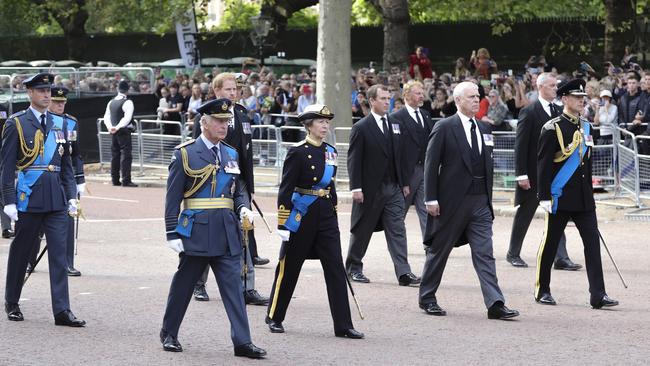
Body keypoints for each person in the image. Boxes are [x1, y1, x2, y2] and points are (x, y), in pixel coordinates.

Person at [160, 98, 266, 358]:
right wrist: (171, 231)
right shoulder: (185, 153)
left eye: (226, 121)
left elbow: (236, 189)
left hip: (227, 230)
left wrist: (242, 206)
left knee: (234, 290)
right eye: (219, 121)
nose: (224, 126)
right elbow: (173, 198)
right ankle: (169, 332)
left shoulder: (231, 153)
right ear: (204, 123)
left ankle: (242, 341)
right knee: (184, 285)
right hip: (197, 230)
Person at [419, 81, 519, 320]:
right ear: (458, 101)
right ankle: (427, 297)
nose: (477, 100)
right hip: (452, 202)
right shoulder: (444, 127)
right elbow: (431, 165)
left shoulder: (484, 129)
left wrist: (488, 199)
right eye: (471, 96)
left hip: (480, 201)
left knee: (485, 252)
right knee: (439, 250)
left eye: (478, 96)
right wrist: (430, 198)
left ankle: (495, 302)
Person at [266, 104, 364, 339]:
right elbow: (286, 189)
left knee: (336, 270)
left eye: (327, 122)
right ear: (308, 125)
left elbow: (331, 187)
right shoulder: (297, 151)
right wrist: (283, 224)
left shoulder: (330, 151)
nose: (325, 126)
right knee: (289, 267)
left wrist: (334, 213)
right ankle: (275, 316)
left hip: (325, 215)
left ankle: (343, 325)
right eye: (320, 122)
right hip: (302, 215)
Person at [1, 73, 85, 326]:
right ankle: (12, 300)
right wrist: (8, 201)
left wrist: (72, 196)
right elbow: (6, 167)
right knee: (21, 252)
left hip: (57, 200)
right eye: (41, 91)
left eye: (48, 90)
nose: (47, 95)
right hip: (29, 198)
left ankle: (62, 311)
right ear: (29, 93)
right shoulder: (16, 123)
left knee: (59, 256)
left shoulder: (60, 124)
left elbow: (66, 164)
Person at [535, 79, 619, 310]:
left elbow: (586, 165)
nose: (582, 100)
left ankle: (598, 295)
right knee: (550, 244)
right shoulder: (552, 128)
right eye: (576, 97)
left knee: (592, 245)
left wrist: (590, 194)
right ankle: (542, 289)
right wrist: (543, 196)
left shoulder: (587, 127)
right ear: (564, 99)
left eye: (583, 97)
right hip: (559, 196)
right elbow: (543, 165)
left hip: (583, 198)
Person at [191, 73, 268, 305]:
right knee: (208, 232)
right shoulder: (205, 117)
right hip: (213, 182)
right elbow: (197, 152)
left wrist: (250, 187)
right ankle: (198, 283)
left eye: (235, 89)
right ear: (216, 91)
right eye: (228, 89)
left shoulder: (244, 114)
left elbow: (248, 152)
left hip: (239, 180)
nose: (233, 93)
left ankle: (247, 287)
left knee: (244, 231)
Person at [345, 84, 421, 286]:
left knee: (397, 229)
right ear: (372, 101)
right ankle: (353, 267)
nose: (388, 102)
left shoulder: (394, 125)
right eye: (384, 99)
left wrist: (404, 182)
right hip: (369, 190)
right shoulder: (361, 127)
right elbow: (354, 160)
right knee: (363, 230)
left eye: (389, 98)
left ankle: (404, 273)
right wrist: (356, 188)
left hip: (393, 187)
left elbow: (399, 156)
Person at [507, 73, 581, 270]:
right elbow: (520, 145)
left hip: (553, 175)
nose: (555, 88)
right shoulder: (529, 111)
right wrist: (521, 174)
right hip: (532, 174)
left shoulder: (559, 110)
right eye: (551, 85)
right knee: (526, 213)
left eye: (556, 85)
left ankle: (561, 257)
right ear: (540, 87)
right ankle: (513, 253)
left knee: (557, 214)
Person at [391, 81, 434, 240]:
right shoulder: (396, 117)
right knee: (399, 212)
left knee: (426, 210)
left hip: (425, 171)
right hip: (407, 174)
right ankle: (396, 244)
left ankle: (429, 244)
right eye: (418, 93)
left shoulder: (425, 115)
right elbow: (396, 153)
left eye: (422, 93)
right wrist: (402, 181)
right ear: (407, 96)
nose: (422, 95)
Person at [49, 86, 85, 276]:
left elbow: (76, 153)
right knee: (38, 224)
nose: (60, 105)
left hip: (67, 177)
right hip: (46, 177)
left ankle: (68, 262)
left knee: (70, 218)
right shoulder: (43, 122)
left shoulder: (71, 123)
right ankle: (30, 260)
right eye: (56, 102)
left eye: (63, 102)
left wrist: (80, 179)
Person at [103, 80, 137, 187]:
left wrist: (110, 128)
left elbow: (106, 117)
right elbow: (126, 118)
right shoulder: (128, 102)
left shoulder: (111, 102)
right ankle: (126, 180)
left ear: (118, 89)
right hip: (123, 131)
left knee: (115, 155)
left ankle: (115, 179)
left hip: (113, 132)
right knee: (126, 155)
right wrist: (117, 127)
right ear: (128, 90)